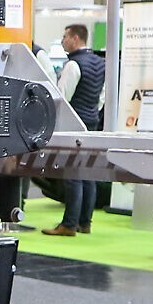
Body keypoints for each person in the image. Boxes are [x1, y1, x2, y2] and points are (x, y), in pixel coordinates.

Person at [46, 23, 105, 237]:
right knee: (88, 173)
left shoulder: (73, 65)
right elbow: (101, 97)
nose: (63, 41)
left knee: (72, 173)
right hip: (92, 121)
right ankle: (84, 222)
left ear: (75, 38)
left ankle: (69, 224)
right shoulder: (100, 63)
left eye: (65, 37)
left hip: (74, 122)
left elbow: (62, 97)